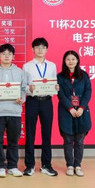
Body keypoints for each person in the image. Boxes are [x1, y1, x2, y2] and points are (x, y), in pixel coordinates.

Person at [0, 43, 27, 178]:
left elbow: (23, 89)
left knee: (13, 141)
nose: (6, 56)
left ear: (13, 56)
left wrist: (22, 98)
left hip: (14, 111)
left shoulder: (19, 72)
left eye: (9, 54)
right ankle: (0, 166)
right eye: (3, 54)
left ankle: (12, 166)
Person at [22, 37, 59, 177]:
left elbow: (54, 83)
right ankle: (29, 165)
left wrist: (55, 88)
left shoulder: (52, 66)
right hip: (32, 101)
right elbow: (24, 86)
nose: (40, 50)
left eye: (43, 47)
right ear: (33, 49)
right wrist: (29, 88)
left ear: (47, 50)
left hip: (47, 101)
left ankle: (46, 165)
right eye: (37, 47)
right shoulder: (27, 66)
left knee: (47, 134)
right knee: (30, 133)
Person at [57, 50, 92, 177]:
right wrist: (70, 108)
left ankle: (78, 165)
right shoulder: (60, 77)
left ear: (77, 61)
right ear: (64, 61)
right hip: (66, 112)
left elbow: (88, 92)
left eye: (73, 59)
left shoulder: (84, 76)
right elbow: (60, 94)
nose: (70, 61)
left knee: (79, 141)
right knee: (68, 140)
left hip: (82, 111)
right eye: (68, 59)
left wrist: (81, 108)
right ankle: (70, 166)